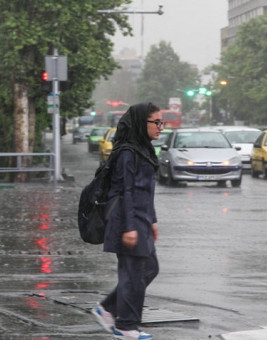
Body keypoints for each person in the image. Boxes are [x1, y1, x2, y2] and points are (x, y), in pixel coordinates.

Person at [91, 102, 164, 340]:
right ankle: (126, 326)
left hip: (141, 220)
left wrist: (152, 220)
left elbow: (146, 191)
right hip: (127, 222)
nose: (160, 127)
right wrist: (130, 228)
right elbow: (126, 191)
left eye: (161, 123)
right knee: (132, 274)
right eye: (156, 122)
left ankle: (108, 308)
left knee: (150, 269)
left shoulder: (143, 149)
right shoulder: (127, 152)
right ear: (141, 123)